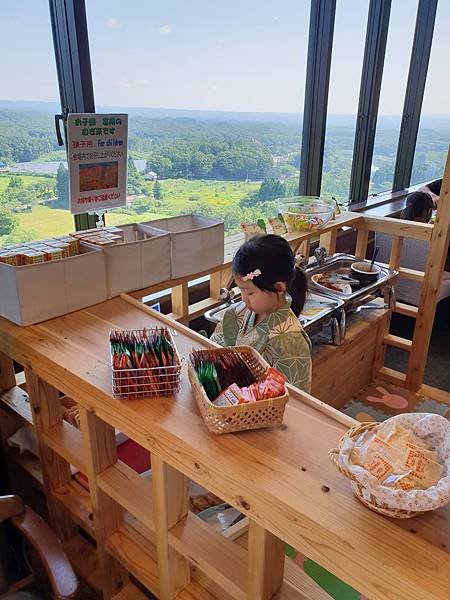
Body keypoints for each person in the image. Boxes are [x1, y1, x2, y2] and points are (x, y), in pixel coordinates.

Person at [211, 234, 312, 392]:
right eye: (241, 290)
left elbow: (293, 399)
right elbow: (215, 352)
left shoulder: (290, 341)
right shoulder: (237, 313)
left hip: (261, 413)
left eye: (250, 293)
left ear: (279, 288)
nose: (244, 299)